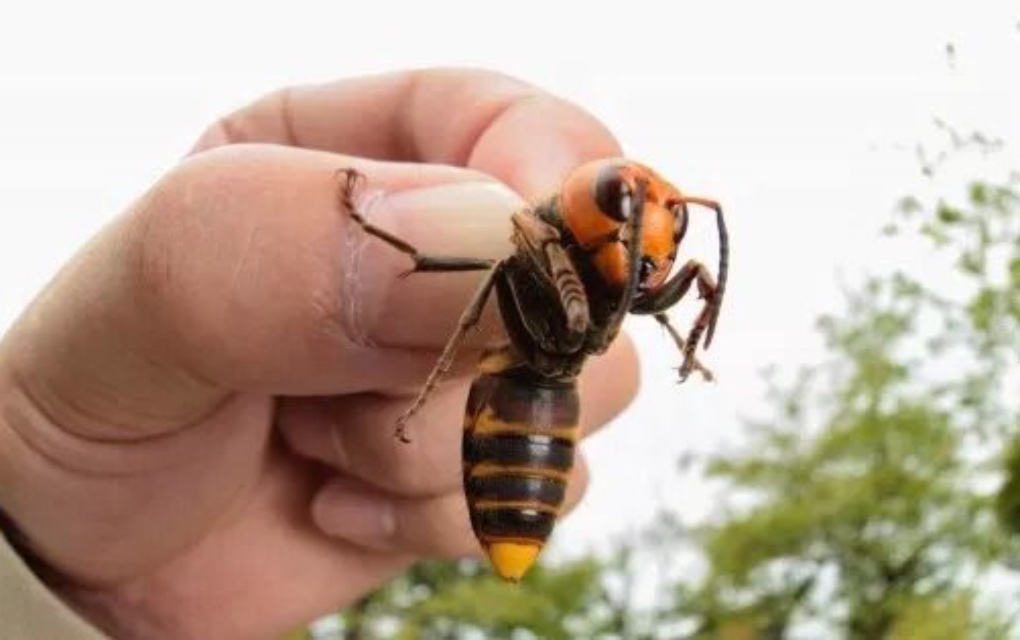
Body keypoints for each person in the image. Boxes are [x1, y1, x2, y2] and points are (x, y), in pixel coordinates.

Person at [0, 68, 639, 639]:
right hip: (520, 410)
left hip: (535, 408)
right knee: (488, 263)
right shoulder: (533, 232)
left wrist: (83, 607)